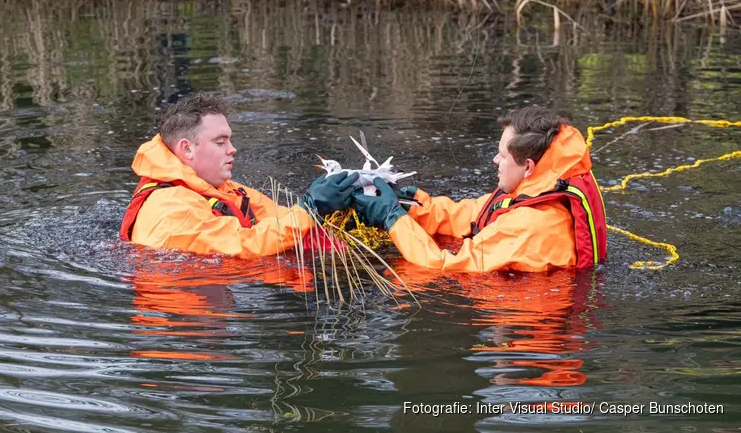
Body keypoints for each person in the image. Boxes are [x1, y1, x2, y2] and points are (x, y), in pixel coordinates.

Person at [352, 106, 607, 273]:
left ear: (528, 166)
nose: (495, 161)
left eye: (501, 156)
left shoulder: (529, 225)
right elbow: (472, 212)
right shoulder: (535, 188)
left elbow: (441, 266)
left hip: (527, 320)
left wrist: (392, 219)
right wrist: (410, 204)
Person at [119, 94, 358, 257]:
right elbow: (244, 246)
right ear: (187, 149)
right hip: (192, 301)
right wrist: (309, 207)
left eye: (229, 140)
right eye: (220, 142)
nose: (232, 149)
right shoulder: (170, 210)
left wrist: (341, 210)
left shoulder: (215, 187)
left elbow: (277, 217)